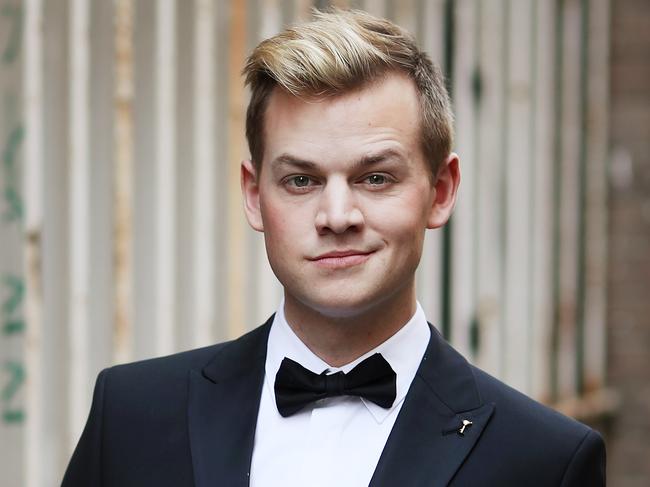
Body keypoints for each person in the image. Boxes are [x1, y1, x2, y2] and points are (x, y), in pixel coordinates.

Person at [62, 9, 605, 487]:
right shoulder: (131, 416)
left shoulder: (544, 460)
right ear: (254, 196)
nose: (337, 217)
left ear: (440, 192)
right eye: (301, 180)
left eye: (375, 178)